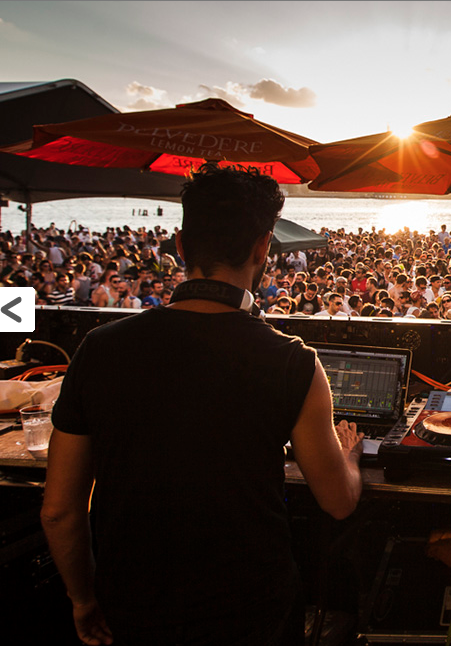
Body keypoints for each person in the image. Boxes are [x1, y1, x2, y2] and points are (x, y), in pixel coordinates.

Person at [41, 166, 363, 646]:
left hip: (132, 603)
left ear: (180, 246)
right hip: (251, 609)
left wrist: (83, 599)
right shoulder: (295, 362)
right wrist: (349, 456)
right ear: (263, 249)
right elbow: (338, 502)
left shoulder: (99, 348)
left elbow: (60, 511)